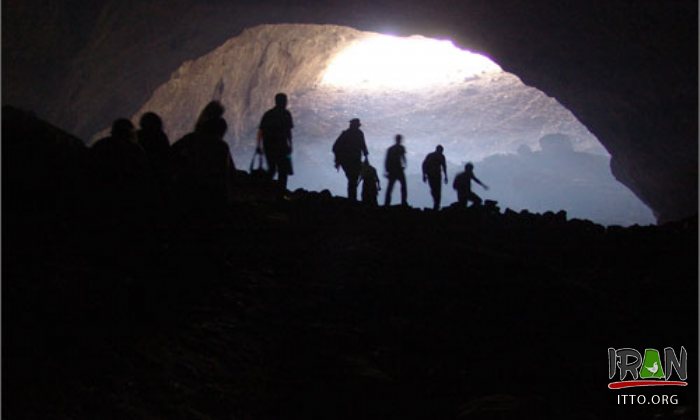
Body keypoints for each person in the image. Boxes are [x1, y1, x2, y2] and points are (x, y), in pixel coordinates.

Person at [257, 93, 294, 191]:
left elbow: (261, 131)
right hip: (282, 146)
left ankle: (264, 190)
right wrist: (290, 145)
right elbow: (288, 132)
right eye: (285, 101)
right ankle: (280, 193)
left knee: (272, 168)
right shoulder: (286, 114)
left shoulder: (268, 114)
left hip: (269, 146)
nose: (286, 103)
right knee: (283, 170)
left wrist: (259, 146)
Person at [332, 118, 368, 201]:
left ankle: (352, 199)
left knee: (352, 179)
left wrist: (338, 160)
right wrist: (366, 157)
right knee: (353, 179)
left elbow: (335, 148)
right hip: (351, 161)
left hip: (349, 161)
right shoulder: (358, 133)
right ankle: (352, 200)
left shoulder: (347, 134)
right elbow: (364, 147)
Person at [422, 145, 448, 210]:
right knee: (436, 190)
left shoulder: (431, 155)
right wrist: (446, 176)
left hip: (433, 175)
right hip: (433, 175)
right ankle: (436, 204)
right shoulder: (438, 156)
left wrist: (424, 175)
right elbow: (424, 165)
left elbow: (424, 165)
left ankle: (436, 204)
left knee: (435, 190)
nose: (441, 152)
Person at [384, 134, 407, 206]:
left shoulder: (392, 149)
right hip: (396, 169)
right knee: (399, 186)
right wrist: (404, 165)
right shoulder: (398, 148)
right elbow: (403, 158)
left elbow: (403, 158)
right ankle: (403, 202)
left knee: (391, 187)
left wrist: (387, 170)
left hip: (395, 169)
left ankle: (387, 203)